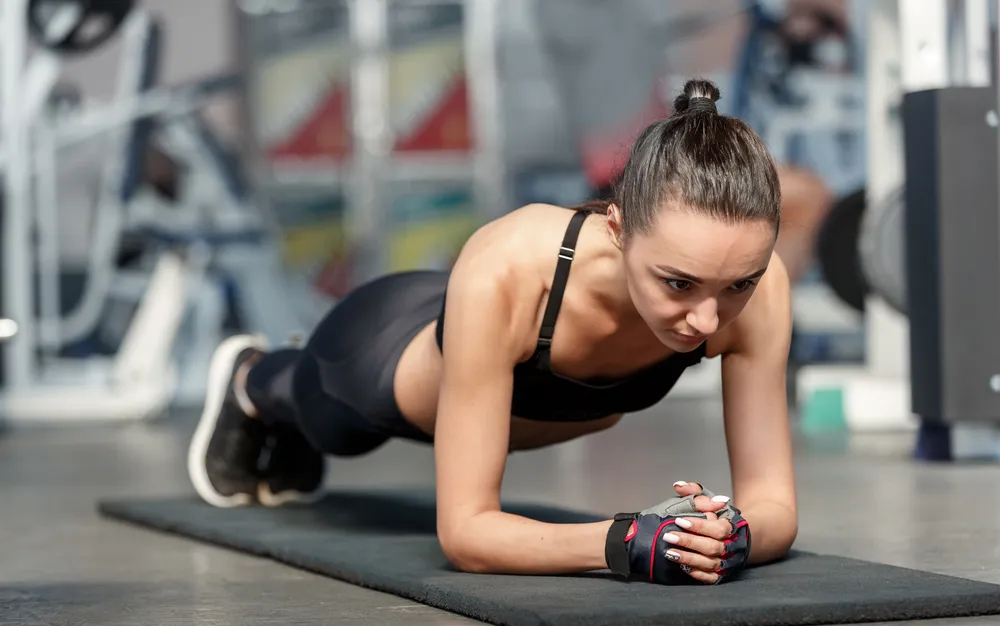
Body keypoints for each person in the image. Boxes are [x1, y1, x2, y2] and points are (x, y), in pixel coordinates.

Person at [187, 78, 798, 586]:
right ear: (617, 228)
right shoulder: (511, 267)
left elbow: (775, 506)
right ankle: (251, 377)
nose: (708, 320)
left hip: (496, 363)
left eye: (736, 286)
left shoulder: (762, 286)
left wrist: (726, 534)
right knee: (328, 426)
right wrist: (624, 540)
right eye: (677, 284)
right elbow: (466, 533)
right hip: (381, 353)